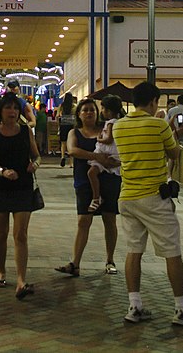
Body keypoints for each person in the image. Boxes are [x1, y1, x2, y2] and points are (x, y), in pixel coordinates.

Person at [114, 81, 183, 326]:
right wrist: (171, 134)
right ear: (154, 101)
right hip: (153, 197)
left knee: (133, 251)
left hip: (127, 197)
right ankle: (182, 309)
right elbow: (174, 154)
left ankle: (135, 306)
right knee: (172, 253)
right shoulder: (158, 124)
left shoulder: (119, 126)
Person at [55, 96, 121, 278]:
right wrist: (97, 157)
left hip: (109, 179)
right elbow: (73, 150)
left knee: (109, 219)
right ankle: (75, 263)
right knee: (84, 221)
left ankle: (110, 260)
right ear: (79, 114)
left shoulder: (107, 129)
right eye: (85, 110)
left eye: (92, 109)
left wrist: (110, 161)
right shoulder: (74, 133)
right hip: (85, 181)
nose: (89, 113)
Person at [0, 93, 40, 299]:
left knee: (20, 234)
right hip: (0, 186)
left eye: (15, 108)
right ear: (1, 111)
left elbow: (36, 155)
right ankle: (1, 271)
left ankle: (21, 280)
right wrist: (2, 171)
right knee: (1, 233)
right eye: (8, 108)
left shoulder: (26, 131)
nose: (12, 112)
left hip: (23, 186)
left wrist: (35, 164)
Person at [87, 97, 122, 213]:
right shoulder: (118, 122)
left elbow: (109, 139)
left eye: (102, 108)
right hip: (110, 154)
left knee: (91, 173)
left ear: (108, 111)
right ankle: (96, 197)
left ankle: (96, 197)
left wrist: (99, 139)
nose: (101, 111)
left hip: (106, 153)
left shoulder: (111, 123)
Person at [58, 92, 76, 167]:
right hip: (71, 125)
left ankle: (62, 156)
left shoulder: (61, 106)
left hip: (63, 124)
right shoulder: (74, 106)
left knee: (63, 143)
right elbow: (76, 116)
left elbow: (57, 115)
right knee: (71, 143)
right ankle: (71, 163)